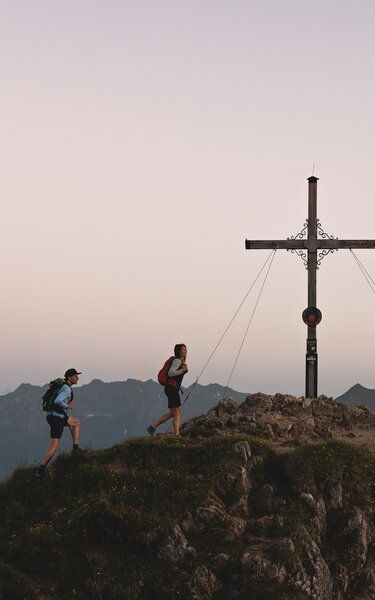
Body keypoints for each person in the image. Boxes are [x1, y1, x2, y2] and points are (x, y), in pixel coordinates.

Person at [35, 368, 83, 478]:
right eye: (75, 376)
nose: (77, 378)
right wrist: (67, 406)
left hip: (54, 416)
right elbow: (58, 401)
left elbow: (44, 395)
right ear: (70, 377)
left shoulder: (60, 386)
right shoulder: (66, 389)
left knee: (76, 422)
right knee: (54, 445)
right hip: (56, 418)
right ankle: (40, 469)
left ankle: (75, 449)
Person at [147, 344, 188, 437]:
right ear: (178, 351)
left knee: (174, 412)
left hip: (171, 388)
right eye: (183, 349)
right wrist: (183, 370)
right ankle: (176, 435)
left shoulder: (180, 361)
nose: (185, 351)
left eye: (185, 349)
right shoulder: (177, 360)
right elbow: (171, 373)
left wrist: (183, 370)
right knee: (177, 411)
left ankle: (152, 427)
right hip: (172, 388)